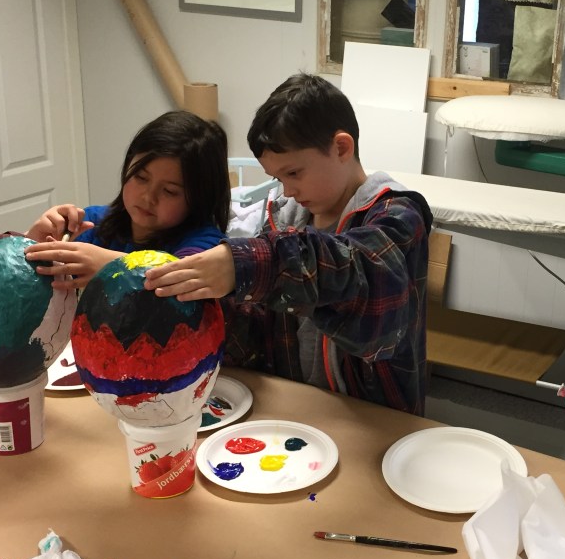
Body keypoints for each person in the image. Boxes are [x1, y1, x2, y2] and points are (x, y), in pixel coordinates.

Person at [144, 73, 433, 416]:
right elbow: (262, 327)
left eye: (294, 173)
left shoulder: (397, 215)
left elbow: (359, 274)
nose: (288, 190)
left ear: (341, 148)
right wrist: (213, 303)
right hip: (297, 406)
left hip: (376, 417)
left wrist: (250, 265)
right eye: (278, 178)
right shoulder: (283, 218)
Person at [24, 111, 230, 291]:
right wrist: (31, 244)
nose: (148, 197)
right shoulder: (92, 223)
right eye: (141, 177)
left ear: (199, 198)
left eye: (169, 191)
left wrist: (115, 266)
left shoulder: (208, 243)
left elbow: (180, 278)